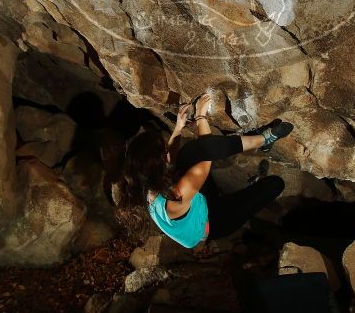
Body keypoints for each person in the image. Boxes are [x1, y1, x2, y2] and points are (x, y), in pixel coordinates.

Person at [118, 93, 291, 248]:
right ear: (158, 162)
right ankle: (263, 140)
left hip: (195, 201)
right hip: (213, 221)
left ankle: (260, 141)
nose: (168, 149)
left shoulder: (142, 178)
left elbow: (172, 155)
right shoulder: (177, 194)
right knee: (275, 184)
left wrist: (179, 127)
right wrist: (201, 117)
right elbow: (207, 154)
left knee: (189, 152)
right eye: (164, 150)